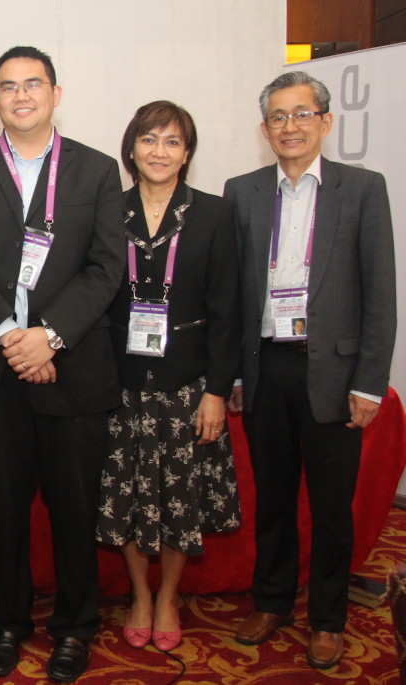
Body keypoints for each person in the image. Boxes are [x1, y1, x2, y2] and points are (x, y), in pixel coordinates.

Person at [0, 46, 125, 682]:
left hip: (71, 370)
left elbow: (105, 268)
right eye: (8, 86)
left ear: (55, 93)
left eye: (33, 84)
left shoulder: (96, 171)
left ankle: (75, 628)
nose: (21, 95)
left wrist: (51, 336)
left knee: (75, 512)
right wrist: (13, 338)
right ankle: (9, 624)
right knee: (4, 512)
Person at [225, 71, 396, 670]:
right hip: (266, 366)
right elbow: (235, 295)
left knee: (330, 506)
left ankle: (327, 619)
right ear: (264, 127)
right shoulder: (241, 191)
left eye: (302, 114)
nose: (290, 126)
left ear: (326, 121)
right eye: (278, 116)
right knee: (271, 498)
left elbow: (380, 292)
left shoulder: (363, 189)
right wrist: (236, 376)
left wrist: (370, 380)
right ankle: (271, 601)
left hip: (333, 372)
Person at [95, 101, 241, 654]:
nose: (160, 151)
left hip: (187, 382)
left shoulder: (214, 214)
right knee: (125, 494)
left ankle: (168, 597)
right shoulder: (108, 211)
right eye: (150, 139)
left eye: (173, 142)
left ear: (188, 153)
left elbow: (229, 310)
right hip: (118, 381)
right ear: (131, 147)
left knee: (180, 497)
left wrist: (217, 391)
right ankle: (137, 592)